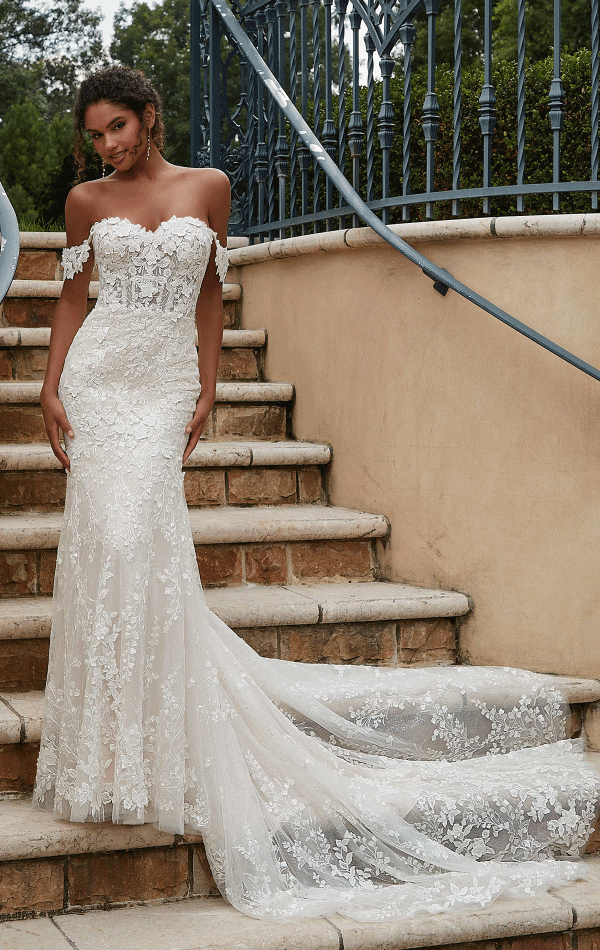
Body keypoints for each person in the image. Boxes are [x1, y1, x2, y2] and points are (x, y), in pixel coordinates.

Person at [32, 64, 600, 922]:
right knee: (111, 545)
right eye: (95, 134)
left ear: (150, 117)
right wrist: (49, 385)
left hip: (161, 384)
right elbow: (75, 298)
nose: (107, 145)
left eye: (117, 127)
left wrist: (209, 384)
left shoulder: (209, 188)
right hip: (102, 381)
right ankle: (107, 750)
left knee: (143, 543)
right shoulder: (86, 203)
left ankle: (158, 741)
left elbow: (213, 291)